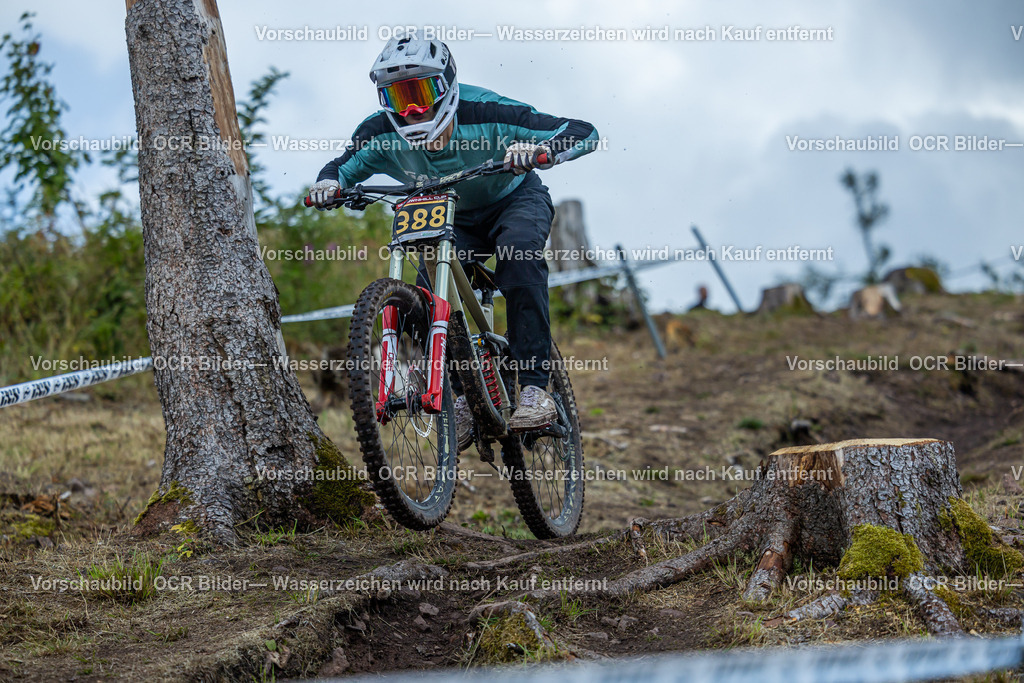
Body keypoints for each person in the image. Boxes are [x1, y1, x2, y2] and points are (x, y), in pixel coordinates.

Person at [308, 37, 599, 450]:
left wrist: (544, 150)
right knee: (429, 290)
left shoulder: (487, 111)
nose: (412, 110)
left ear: (447, 86)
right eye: (399, 97)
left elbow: (582, 130)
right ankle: (465, 396)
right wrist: (329, 185)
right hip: (449, 214)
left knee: (519, 258)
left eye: (422, 93)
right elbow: (341, 166)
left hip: (513, 198)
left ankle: (535, 387)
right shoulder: (378, 132)